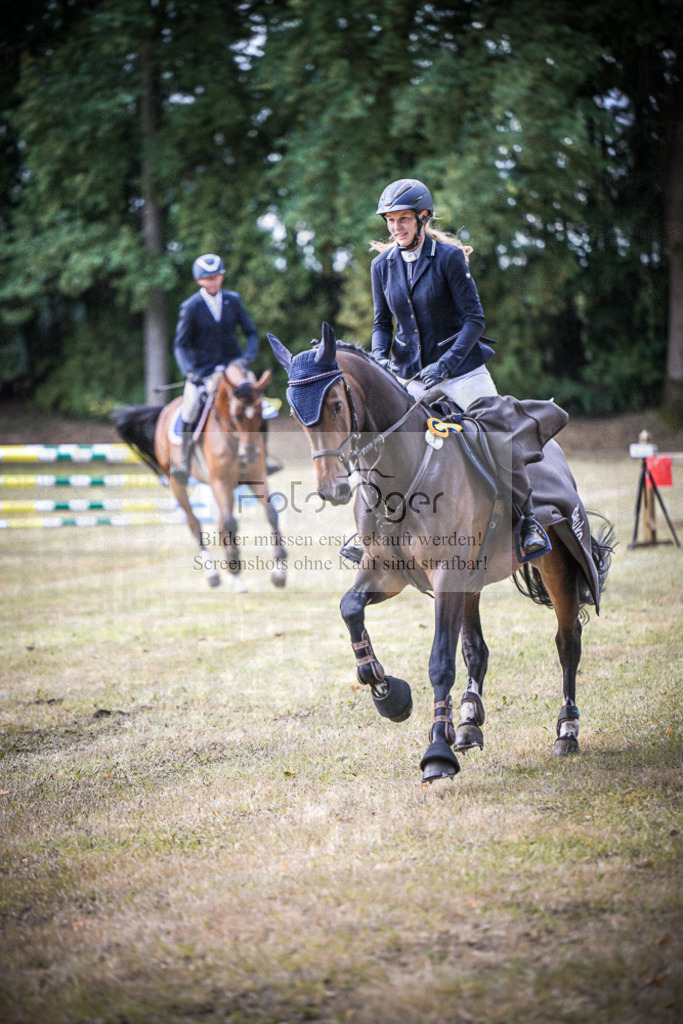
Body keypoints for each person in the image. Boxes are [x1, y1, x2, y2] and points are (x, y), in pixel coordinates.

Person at [370, 178, 548, 557]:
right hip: (415, 375)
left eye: (403, 219)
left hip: (462, 370)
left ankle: (527, 520)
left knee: (499, 435)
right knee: (384, 437)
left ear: (422, 217)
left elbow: (474, 320)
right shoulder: (381, 266)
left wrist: (447, 364)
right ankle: (373, 527)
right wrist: (380, 360)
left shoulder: (448, 258)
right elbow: (382, 325)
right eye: (390, 220)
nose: (395, 228)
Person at [172, 253, 278, 483]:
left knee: (256, 401)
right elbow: (180, 345)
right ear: (200, 281)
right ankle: (183, 459)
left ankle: (265, 456)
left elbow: (250, 332)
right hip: (203, 369)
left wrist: (247, 358)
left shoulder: (233, 300)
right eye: (209, 278)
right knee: (189, 407)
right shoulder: (190, 307)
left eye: (217, 276)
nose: (214, 281)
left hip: (233, 365)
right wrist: (189, 371)